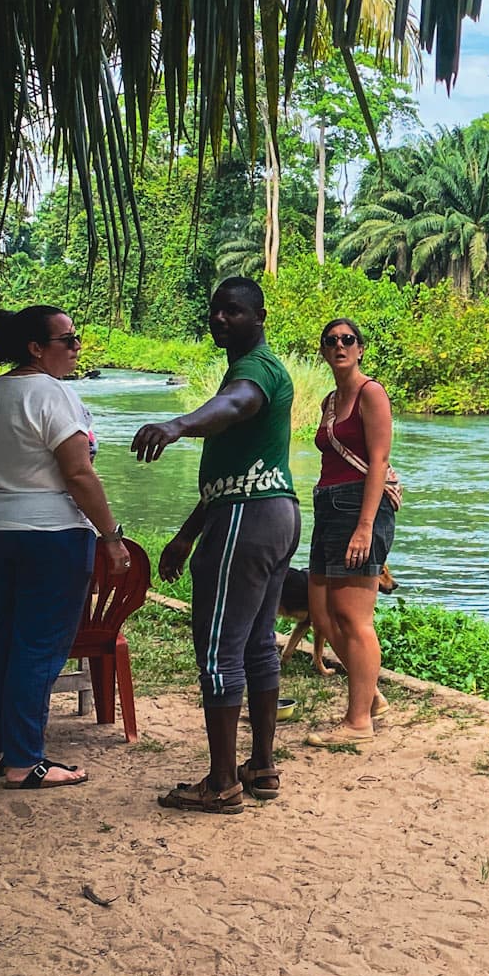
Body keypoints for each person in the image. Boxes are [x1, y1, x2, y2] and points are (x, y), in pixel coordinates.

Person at [131, 278, 299, 813]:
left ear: (259, 317)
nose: (220, 319)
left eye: (233, 311)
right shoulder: (255, 367)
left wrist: (177, 425)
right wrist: (187, 533)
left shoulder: (255, 371)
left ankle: (222, 782)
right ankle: (262, 767)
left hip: (248, 518)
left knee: (219, 648)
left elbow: (235, 404)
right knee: (257, 645)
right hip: (272, 511)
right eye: (215, 311)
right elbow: (235, 472)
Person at [0, 307, 129, 790]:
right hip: (52, 533)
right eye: (68, 339)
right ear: (36, 348)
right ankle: (24, 761)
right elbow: (77, 472)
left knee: (2, 638)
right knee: (38, 646)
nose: (77, 347)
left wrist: (2, 511)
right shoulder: (52, 394)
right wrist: (111, 536)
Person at [309, 316, 395, 740]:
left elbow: (379, 461)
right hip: (328, 505)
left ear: (360, 349)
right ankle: (370, 694)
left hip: (359, 506)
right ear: (323, 351)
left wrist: (364, 526)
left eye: (348, 340)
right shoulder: (330, 401)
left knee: (353, 616)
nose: (339, 346)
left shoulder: (370, 393)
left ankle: (358, 722)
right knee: (322, 614)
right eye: (331, 341)